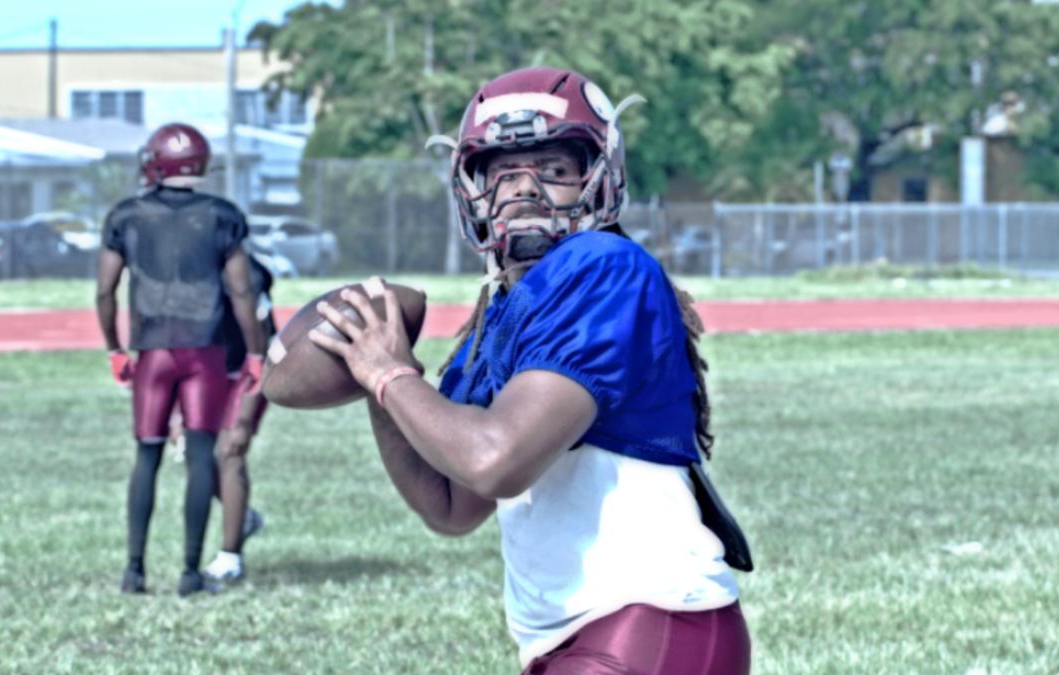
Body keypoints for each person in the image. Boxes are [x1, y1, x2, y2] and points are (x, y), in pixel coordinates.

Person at [309, 67, 750, 674]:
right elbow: (451, 505)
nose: (523, 190)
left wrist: (393, 377)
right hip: (582, 636)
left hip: (647, 619)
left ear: (599, 178)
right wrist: (379, 376)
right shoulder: (502, 312)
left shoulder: (603, 266)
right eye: (501, 171)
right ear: (470, 187)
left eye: (552, 170)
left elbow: (497, 461)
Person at [96, 122, 267, 597]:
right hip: (205, 351)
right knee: (198, 459)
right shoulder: (221, 215)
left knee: (146, 457)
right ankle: (190, 574)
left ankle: (135, 570)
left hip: (153, 349)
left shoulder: (127, 215)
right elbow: (240, 291)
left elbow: (105, 291)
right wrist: (254, 351)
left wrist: (114, 347)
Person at [202, 250, 277, 583]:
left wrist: (246, 418)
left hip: (248, 372)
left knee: (230, 452)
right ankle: (243, 517)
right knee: (198, 456)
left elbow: (261, 351)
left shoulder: (248, 273)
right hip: (204, 373)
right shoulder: (175, 272)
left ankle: (231, 556)